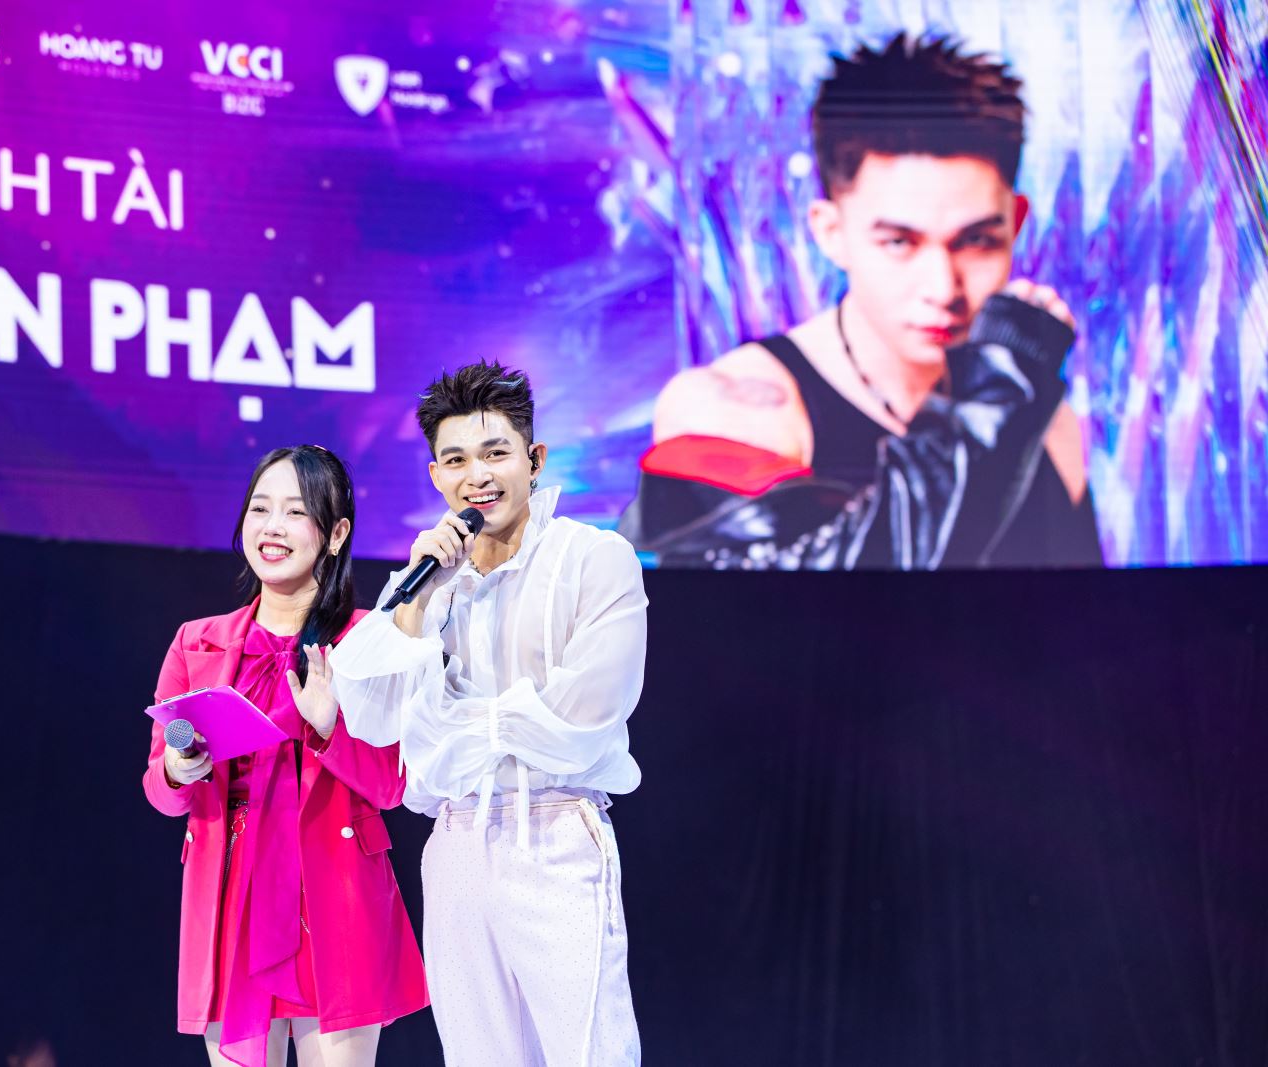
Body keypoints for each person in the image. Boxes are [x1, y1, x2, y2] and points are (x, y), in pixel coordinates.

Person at [625, 33, 1102, 569]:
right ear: (830, 233)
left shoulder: (1042, 422)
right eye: (899, 242)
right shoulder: (730, 407)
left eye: (976, 240)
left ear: (1015, 225)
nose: (943, 288)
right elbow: (777, 613)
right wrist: (997, 404)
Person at [329, 362, 646, 1066]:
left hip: (555, 831)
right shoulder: (427, 580)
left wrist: (445, 726)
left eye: (495, 453)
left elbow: (582, 718)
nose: (478, 475)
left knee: (589, 1053)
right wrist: (417, 599)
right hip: (455, 841)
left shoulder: (595, 558)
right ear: (436, 476)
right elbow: (370, 714)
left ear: (533, 459)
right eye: (456, 460)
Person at [141, 445, 428, 1067]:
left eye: (295, 512)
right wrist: (177, 769)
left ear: (336, 533)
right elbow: (161, 792)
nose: (272, 527)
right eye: (260, 508)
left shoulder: (365, 642)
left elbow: (393, 784)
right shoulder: (197, 643)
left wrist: (328, 730)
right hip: (231, 900)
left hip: (334, 893)